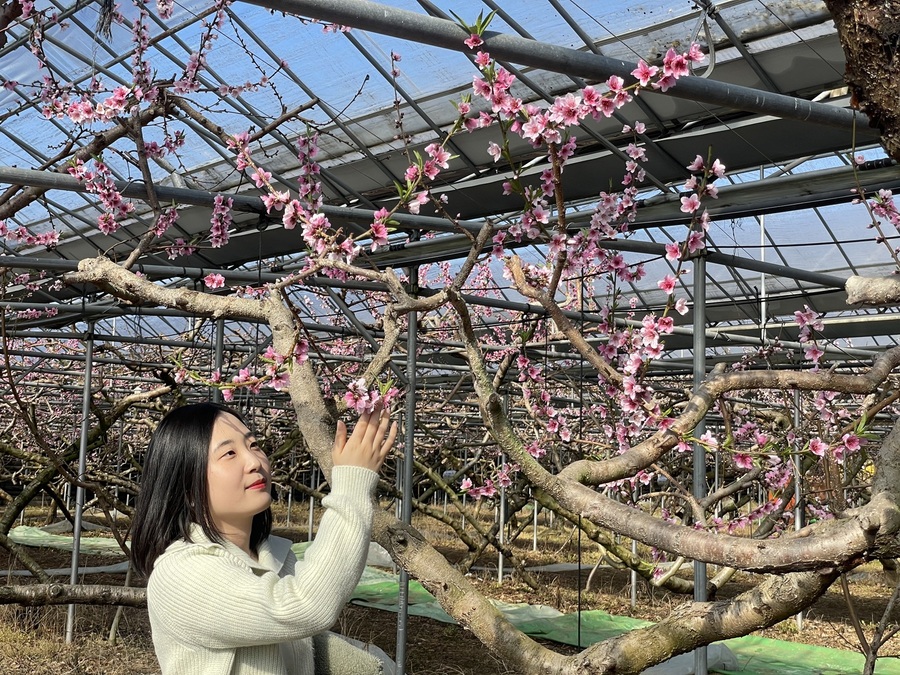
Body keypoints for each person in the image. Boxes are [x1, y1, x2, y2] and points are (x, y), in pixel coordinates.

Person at [130, 401, 397, 675]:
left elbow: (296, 639)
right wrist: (352, 484)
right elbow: (303, 607)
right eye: (230, 453)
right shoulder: (181, 574)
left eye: (254, 445)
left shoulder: (275, 556)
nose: (255, 462)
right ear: (187, 488)